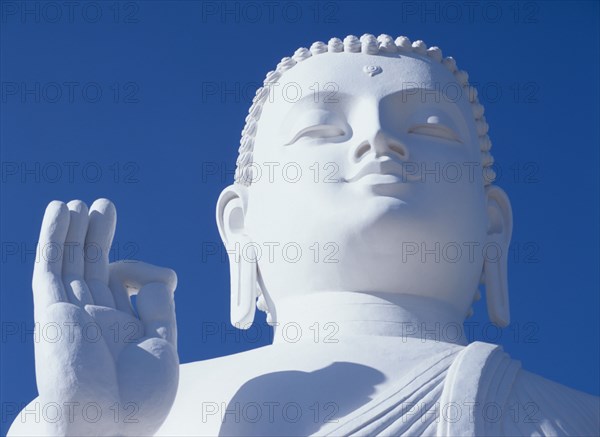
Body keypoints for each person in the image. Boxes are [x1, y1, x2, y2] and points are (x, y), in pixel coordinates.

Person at [8, 34, 599, 436]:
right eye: (322, 127)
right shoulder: (160, 410)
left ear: (493, 224)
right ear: (241, 222)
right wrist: (83, 422)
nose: (377, 141)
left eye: (429, 127)